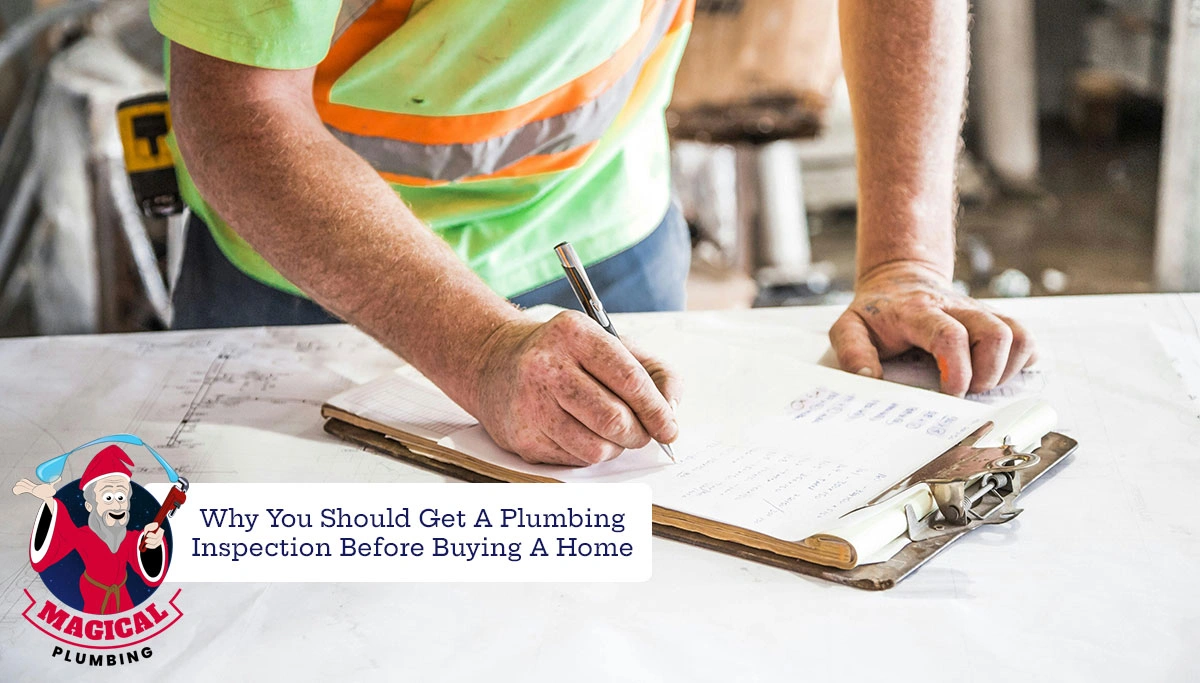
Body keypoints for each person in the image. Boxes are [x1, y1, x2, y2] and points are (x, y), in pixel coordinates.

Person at [149, 0, 1035, 466]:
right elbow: (237, 110)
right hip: (310, 276)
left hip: (605, 230)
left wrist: (904, 261)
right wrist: (476, 343)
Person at [13, 446, 167, 615]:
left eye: (121, 497)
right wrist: (49, 501)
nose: (116, 505)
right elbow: (63, 529)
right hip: (95, 597)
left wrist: (153, 544)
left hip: (123, 598)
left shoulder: (129, 538)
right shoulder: (84, 536)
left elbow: (144, 551)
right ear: (90, 505)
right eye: (108, 497)